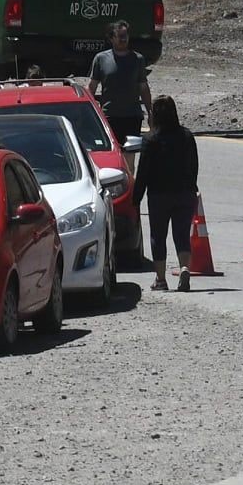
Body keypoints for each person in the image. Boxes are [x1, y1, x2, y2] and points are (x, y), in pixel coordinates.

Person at [130, 94, 202, 292]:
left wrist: (136, 199)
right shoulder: (187, 136)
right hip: (185, 193)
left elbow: (143, 173)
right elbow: (194, 165)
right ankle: (184, 267)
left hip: (159, 195)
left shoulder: (151, 140)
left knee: (158, 236)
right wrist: (190, 185)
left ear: (155, 116)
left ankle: (160, 279)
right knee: (182, 234)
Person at [89, 21, 154, 150]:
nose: (124, 39)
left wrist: (150, 112)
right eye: (120, 36)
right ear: (111, 38)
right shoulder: (101, 59)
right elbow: (92, 87)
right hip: (109, 116)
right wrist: (87, 112)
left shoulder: (138, 59)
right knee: (112, 152)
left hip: (132, 116)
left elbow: (143, 88)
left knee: (130, 153)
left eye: (126, 36)